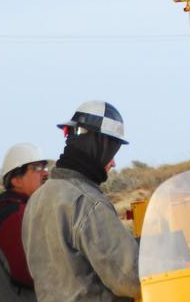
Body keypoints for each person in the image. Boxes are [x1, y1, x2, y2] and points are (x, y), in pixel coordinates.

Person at [22, 101, 139, 302]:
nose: (113, 161)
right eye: (112, 150)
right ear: (100, 144)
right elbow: (130, 279)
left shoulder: (37, 200)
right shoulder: (86, 202)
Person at [0, 143, 51, 301]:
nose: (45, 173)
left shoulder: (17, 210)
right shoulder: (14, 216)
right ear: (16, 179)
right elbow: (28, 273)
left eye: (45, 167)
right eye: (37, 168)